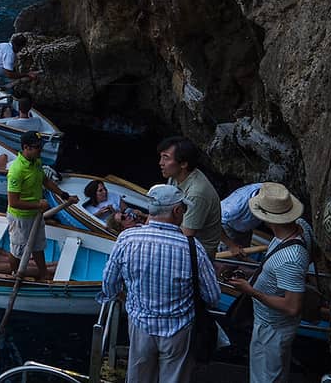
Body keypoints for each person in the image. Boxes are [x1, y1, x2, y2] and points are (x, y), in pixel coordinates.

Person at [99, 184, 221, 383]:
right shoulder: (192, 248)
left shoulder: (127, 239)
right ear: (176, 211)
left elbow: (109, 285)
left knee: (139, 378)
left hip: (140, 324)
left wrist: (126, 298)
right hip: (178, 329)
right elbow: (213, 297)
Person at [228, 183, 313, 383]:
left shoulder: (291, 258)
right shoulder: (302, 226)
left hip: (273, 328)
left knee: (266, 378)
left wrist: (251, 291)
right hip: (270, 324)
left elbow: (292, 307)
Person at [7, 131, 78, 280]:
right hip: (21, 219)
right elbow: (13, 202)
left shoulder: (37, 162)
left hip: (36, 214)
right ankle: (15, 276)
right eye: (37, 147)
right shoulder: (16, 171)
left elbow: (45, 181)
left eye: (40, 146)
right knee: (18, 251)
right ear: (26, 148)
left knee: (38, 245)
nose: (40, 149)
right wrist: (37, 204)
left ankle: (43, 273)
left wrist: (64, 195)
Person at [159, 136, 223, 259]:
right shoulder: (175, 176)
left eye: (166, 158)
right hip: (180, 231)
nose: (161, 163)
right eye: (161, 157)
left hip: (197, 252)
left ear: (183, 163)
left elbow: (186, 235)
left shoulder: (197, 193)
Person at [219, 182, 264, 256]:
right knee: (231, 258)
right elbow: (214, 224)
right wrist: (231, 245)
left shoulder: (269, 190)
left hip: (246, 226)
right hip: (229, 226)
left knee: (244, 254)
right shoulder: (233, 209)